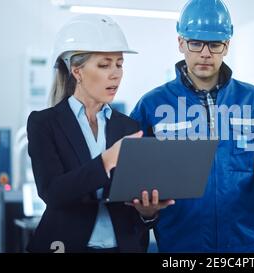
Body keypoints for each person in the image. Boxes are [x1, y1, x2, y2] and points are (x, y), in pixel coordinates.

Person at [130, 0, 254, 253]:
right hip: (181, 244)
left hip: (246, 244)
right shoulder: (151, 105)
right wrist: (145, 210)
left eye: (215, 44)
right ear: (181, 43)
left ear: (226, 46)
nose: (205, 53)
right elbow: (133, 173)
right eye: (196, 43)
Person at [27, 14, 174, 253]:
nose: (115, 74)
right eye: (104, 65)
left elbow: (135, 206)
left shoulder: (130, 127)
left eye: (119, 64)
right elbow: (53, 193)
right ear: (77, 71)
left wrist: (147, 212)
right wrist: (107, 161)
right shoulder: (44, 123)